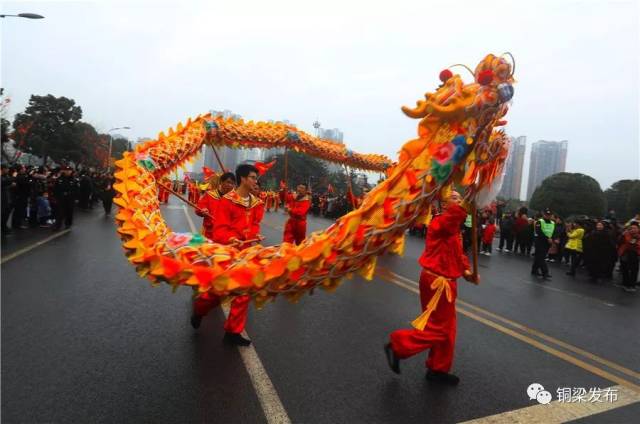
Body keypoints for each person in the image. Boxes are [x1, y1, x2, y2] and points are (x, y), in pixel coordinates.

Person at [384, 191, 479, 385]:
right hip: (436, 283)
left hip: (447, 283)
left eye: (460, 198)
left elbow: (458, 256)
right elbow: (453, 219)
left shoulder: (454, 230)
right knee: (439, 329)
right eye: (455, 198)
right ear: (444, 205)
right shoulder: (440, 222)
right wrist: (468, 202)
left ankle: (438, 368)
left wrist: (468, 273)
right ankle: (398, 345)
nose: (459, 201)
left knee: (448, 328)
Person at [191, 164, 263, 346]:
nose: (256, 181)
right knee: (219, 291)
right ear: (244, 178)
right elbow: (219, 230)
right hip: (228, 251)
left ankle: (233, 331)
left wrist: (254, 236)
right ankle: (199, 309)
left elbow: (255, 224)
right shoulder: (227, 201)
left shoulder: (256, 203)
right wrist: (231, 238)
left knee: (244, 291)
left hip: (245, 252)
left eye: (256, 178)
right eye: (253, 177)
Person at [195, 172, 235, 240]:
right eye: (228, 182)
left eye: (232, 183)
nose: (230, 185)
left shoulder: (234, 199)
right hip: (209, 233)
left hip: (226, 234)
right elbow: (199, 207)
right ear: (221, 182)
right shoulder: (210, 195)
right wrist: (203, 210)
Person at [52, 166, 78, 230]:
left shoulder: (74, 180)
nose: (68, 172)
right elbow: (55, 189)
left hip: (70, 198)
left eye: (69, 170)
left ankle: (68, 224)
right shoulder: (60, 179)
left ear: (71, 171)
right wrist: (55, 197)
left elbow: (77, 190)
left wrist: (76, 198)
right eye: (66, 170)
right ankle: (57, 226)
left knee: (69, 211)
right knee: (60, 212)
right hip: (61, 198)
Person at [531, 209, 554, 279]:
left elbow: (554, 232)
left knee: (538, 257)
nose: (548, 216)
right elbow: (539, 232)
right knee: (541, 258)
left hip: (548, 242)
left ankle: (534, 270)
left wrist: (552, 238)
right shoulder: (540, 221)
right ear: (544, 215)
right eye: (546, 214)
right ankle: (545, 272)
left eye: (549, 215)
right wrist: (547, 238)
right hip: (540, 242)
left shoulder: (553, 223)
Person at [617, 223, 639, 292]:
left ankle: (632, 285)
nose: (633, 229)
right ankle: (625, 284)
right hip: (625, 254)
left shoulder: (638, 236)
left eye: (635, 228)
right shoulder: (625, 234)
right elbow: (619, 242)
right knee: (625, 269)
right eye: (631, 228)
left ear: (638, 229)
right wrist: (622, 235)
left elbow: (634, 244)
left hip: (635, 255)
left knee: (634, 271)